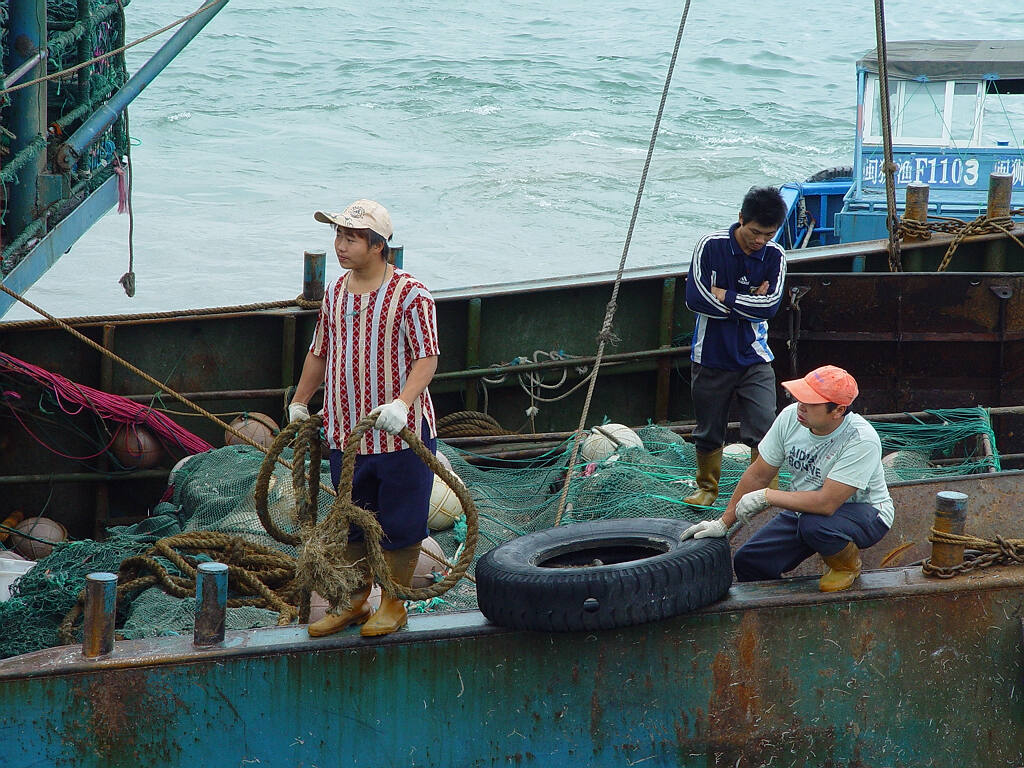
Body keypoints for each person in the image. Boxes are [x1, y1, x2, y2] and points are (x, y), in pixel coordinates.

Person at [288, 199, 440, 637]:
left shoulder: (412, 294)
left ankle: (393, 604)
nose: (340, 246)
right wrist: (300, 402)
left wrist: (402, 404)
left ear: (377, 246)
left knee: (401, 525)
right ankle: (354, 603)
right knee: (352, 523)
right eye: (337, 236)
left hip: (400, 437)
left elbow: (427, 358)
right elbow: (320, 352)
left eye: (350, 238)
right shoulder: (335, 292)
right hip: (346, 434)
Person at [681, 365, 894, 592]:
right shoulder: (790, 418)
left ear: (838, 410)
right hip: (805, 511)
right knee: (749, 561)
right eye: (800, 397)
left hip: (866, 513)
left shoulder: (861, 439)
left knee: (815, 525)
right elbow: (758, 473)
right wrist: (723, 523)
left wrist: (767, 496)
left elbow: (827, 503)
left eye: (811, 402)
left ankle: (846, 566)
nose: (801, 406)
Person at [683, 186, 788, 508]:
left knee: (764, 426)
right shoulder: (710, 246)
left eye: (768, 234)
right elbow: (694, 299)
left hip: (755, 358)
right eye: (755, 232)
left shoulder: (775, 256)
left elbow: (769, 307)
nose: (760, 241)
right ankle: (707, 489)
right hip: (711, 356)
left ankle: (764, 496)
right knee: (708, 429)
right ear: (741, 219)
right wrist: (749, 300)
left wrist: (726, 295)